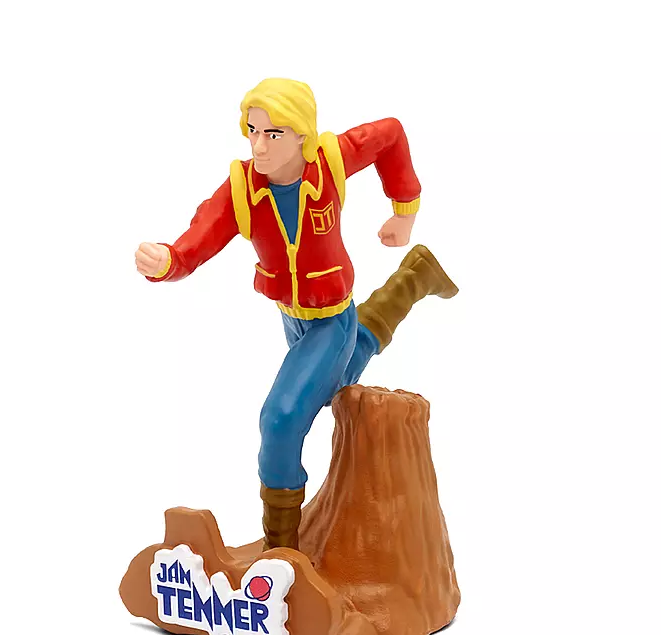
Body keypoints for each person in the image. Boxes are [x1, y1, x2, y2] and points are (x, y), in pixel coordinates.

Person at [135, 78, 457, 550]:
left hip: (331, 318)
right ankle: (414, 278)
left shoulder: (329, 163)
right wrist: (170, 260)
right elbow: (203, 232)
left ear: (302, 133)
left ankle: (281, 549)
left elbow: (389, 133)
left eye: (274, 133)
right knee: (334, 384)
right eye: (252, 131)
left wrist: (404, 210)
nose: (259, 146)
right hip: (291, 317)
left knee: (282, 419)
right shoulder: (244, 188)